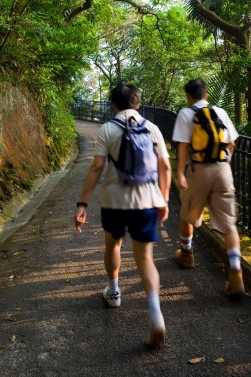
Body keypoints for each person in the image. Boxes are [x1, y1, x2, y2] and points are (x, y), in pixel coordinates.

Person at [74, 84, 171, 347]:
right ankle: (155, 312)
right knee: (145, 258)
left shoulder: (107, 129)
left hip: (115, 201)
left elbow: (96, 167)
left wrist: (82, 203)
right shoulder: (152, 129)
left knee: (113, 244)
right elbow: (165, 166)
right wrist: (163, 198)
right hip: (148, 201)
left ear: (113, 105)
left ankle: (114, 291)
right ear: (138, 104)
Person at [172, 78, 245, 299]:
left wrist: (180, 172)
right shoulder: (220, 112)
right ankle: (235, 270)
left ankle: (186, 254)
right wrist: (225, 162)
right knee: (228, 223)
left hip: (199, 169)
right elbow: (232, 141)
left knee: (188, 213)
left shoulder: (186, 114)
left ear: (189, 96)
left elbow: (183, 146)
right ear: (206, 95)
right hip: (222, 169)